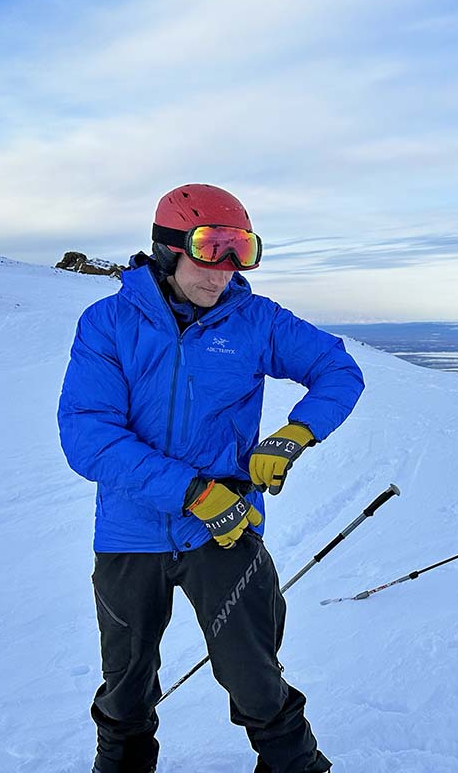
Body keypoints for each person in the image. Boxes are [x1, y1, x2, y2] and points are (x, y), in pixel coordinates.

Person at [58, 183, 364, 773]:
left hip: (225, 530)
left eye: (240, 250)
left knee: (253, 673)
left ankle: (293, 766)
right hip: (132, 530)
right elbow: (88, 436)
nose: (225, 269)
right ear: (168, 247)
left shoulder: (255, 321)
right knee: (125, 682)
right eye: (210, 247)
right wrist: (192, 492)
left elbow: (337, 368)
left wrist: (295, 433)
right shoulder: (109, 324)